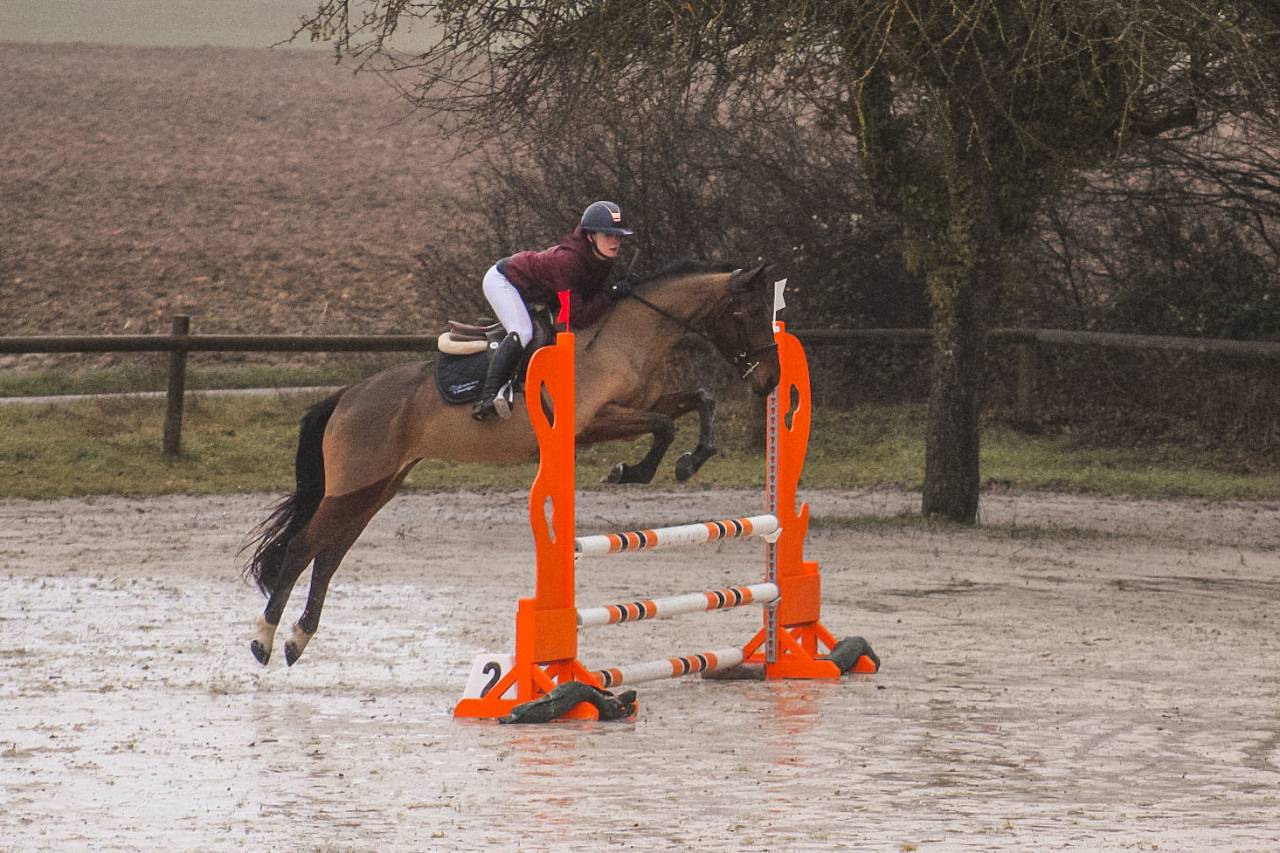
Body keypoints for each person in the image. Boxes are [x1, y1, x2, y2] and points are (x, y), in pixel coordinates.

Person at [472, 200, 635, 421]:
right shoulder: (569, 262)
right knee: (523, 331)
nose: (615, 242)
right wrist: (611, 294)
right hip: (503, 281)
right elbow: (576, 315)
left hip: (534, 292)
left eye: (618, 236)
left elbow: (587, 300)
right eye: (608, 236)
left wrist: (615, 292)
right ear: (590, 236)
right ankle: (488, 396)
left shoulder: (601, 259)